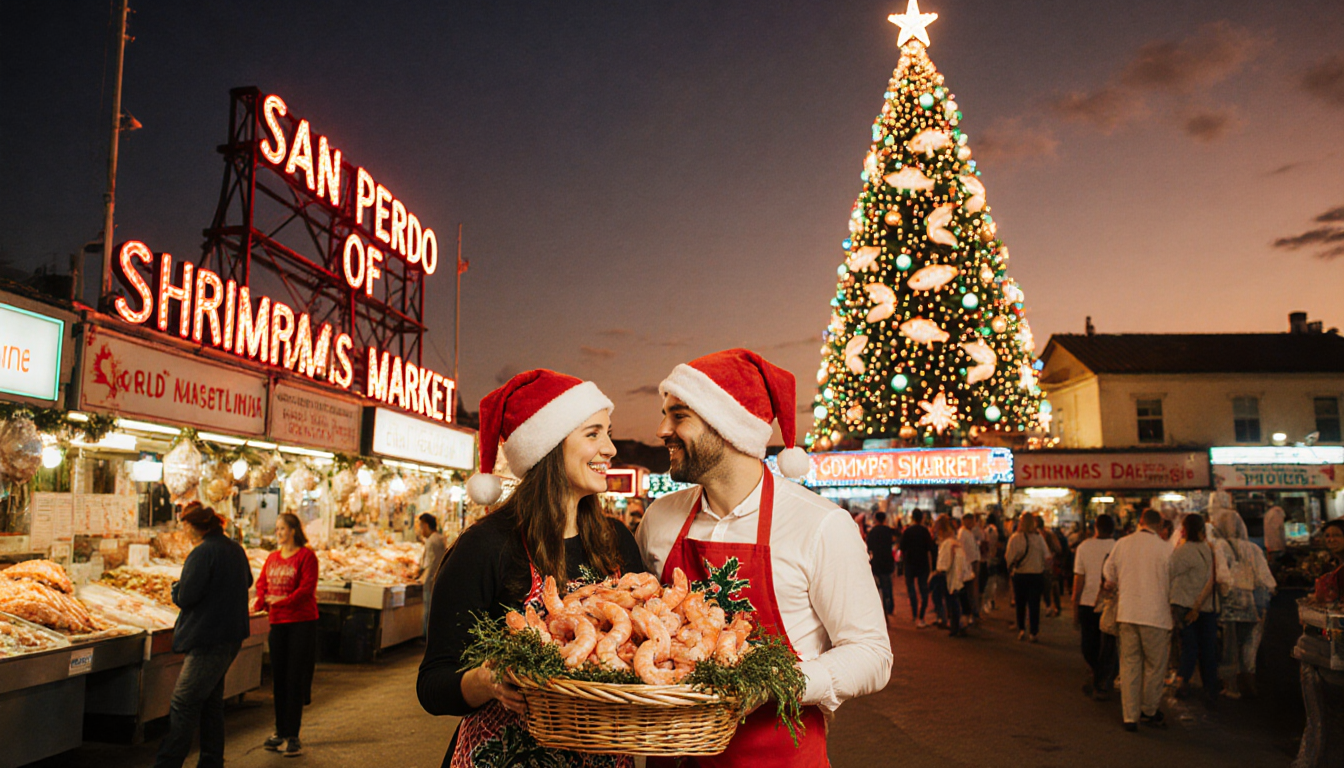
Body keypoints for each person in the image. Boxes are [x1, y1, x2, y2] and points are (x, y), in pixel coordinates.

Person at [636, 349, 892, 766]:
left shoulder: (821, 524)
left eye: (679, 415)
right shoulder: (660, 518)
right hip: (674, 756)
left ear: (727, 427)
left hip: (780, 755)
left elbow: (872, 654)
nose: (662, 429)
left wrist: (774, 683)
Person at [417, 370, 647, 768]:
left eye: (608, 433)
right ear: (549, 448)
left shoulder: (617, 541)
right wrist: (484, 680)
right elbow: (433, 684)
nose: (610, 448)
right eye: (593, 434)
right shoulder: (485, 546)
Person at [154, 503, 253, 768]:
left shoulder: (202, 553)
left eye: (183, 525)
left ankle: (168, 763)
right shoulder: (234, 548)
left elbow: (186, 597)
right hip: (231, 635)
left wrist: (176, 589)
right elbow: (248, 582)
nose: (182, 531)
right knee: (210, 702)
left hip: (208, 638)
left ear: (192, 526)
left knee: (183, 702)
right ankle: (211, 761)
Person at [253, 513, 320, 756]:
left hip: (301, 623)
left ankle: (293, 735)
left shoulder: (306, 556)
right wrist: (259, 600)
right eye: (277, 529)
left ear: (293, 530)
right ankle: (279, 731)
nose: (278, 532)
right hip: (278, 623)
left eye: (282, 528)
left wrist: (284, 600)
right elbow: (262, 584)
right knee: (279, 679)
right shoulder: (272, 558)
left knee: (295, 679)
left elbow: (307, 588)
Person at [1103, 508, 1173, 732]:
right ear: (1160, 526)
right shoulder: (1166, 549)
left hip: (1127, 612)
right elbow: (1173, 581)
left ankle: (1129, 716)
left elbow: (1109, 573)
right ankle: (1148, 710)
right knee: (1155, 666)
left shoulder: (1122, 544)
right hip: (1157, 615)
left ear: (1140, 522)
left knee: (1129, 664)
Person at [1213, 509, 1276, 700]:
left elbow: (1222, 576)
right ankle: (1249, 682)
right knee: (1250, 646)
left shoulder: (1219, 546)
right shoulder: (1254, 549)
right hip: (1255, 605)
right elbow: (1268, 581)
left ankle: (1232, 687)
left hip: (1230, 605)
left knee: (1229, 647)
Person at [1169, 513, 1219, 705]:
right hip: (1206, 606)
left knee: (1188, 646)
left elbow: (1169, 573)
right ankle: (1211, 689)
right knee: (1207, 648)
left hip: (1184, 605)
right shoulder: (1209, 549)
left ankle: (1183, 683)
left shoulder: (1183, 551)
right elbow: (1212, 579)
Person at [1072, 514, 1117, 700]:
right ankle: (1102, 678)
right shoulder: (1118, 547)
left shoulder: (1084, 547)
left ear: (1095, 528)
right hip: (1110, 604)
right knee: (1107, 645)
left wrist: (1075, 603)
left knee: (1089, 643)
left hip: (1088, 602)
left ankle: (1097, 676)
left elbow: (1079, 579)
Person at [1005, 514, 1049, 642]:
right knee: (1034, 604)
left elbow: (1008, 557)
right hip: (1036, 574)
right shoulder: (1038, 538)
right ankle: (1033, 632)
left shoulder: (1015, 538)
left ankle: (1022, 629)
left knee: (1020, 603)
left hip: (1020, 575)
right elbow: (1047, 556)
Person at [930, 516, 968, 638]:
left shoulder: (947, 543)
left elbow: (944, 563)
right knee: (954, 600)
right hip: (957, 574)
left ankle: (954, 626)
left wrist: (937, 571)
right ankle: (957, 624)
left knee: (950, 601)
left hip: (948, 575)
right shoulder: (954, 542)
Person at [899, 509, 936, 628]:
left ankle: (914, 614)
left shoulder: (908, 531)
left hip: (910, 563)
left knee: (911, 590)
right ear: (922, 518)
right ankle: (921, 616)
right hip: (922, 564)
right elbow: (930, 547)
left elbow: (902, 547)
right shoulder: (925, 531)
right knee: (923, 590)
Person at [416, 512, 447, 634]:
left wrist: (418, 573)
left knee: (427, 608)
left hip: (429, 579)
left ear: (425, 525)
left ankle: (425, 635)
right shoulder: (440, 539)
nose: (420, 529)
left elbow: (427, 563)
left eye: (420, 526)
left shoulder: (430, 541)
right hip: (440, 577)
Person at [867, 511, 898, 622]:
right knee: (887, 587)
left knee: (876, 588)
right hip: (887, 562)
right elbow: (894, 542)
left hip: (876, 562)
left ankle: (880, 612)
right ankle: (889, 607)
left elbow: (869, 547)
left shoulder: (872, 532)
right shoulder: (888, 531)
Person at [957, 514, 981, 625]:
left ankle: (973, 612)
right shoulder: (963, 533)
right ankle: (971, 613)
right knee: (970, 590)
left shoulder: (968, 532)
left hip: (971, 564)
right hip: (969, 565)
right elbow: (964, 551)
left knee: (973, 590)